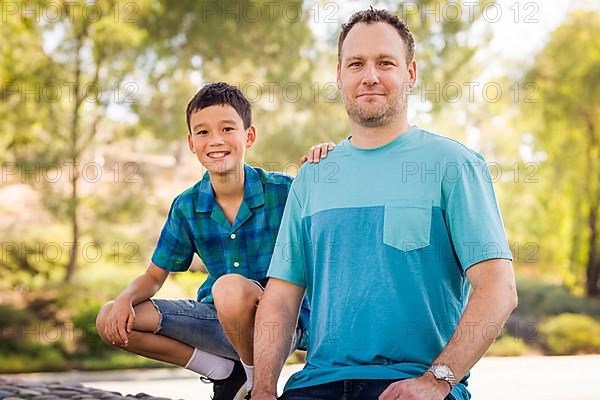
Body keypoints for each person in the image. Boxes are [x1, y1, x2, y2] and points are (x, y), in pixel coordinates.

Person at [253, 8, 518, 400]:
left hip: (416, 384)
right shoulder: (314, 175)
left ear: (410, 74)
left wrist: (437, 380)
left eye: (385, 63)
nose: (370, 76)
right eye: (356, 63)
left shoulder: (453, 165)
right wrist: (261, 390)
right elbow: (280, 298)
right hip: (316, 385)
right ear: (339, 76)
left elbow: (499, 289)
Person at [95, 82, 334, 400]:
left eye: (227, 128)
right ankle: (225, 372)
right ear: (191, 142)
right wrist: (125, 299)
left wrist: (333, 158)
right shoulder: (188, 205)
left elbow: (334, 231)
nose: (216, 140)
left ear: (249, 136)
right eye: (203, 132)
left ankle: (255, 381)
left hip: (278, 327)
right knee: (110, 317)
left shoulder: (284, 192)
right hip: (218, 320)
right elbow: (155, 276)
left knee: (229, 288)